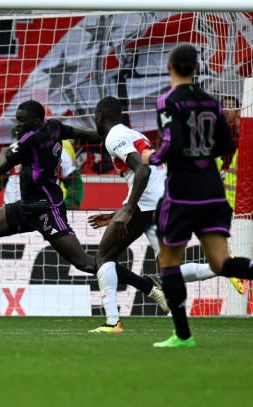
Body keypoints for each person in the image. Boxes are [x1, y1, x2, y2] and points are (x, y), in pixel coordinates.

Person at [0, 100, 167, 314]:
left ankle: (148, 287)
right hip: (27, 207)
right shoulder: (55, 127)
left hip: (48, 209)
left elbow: (3, 166)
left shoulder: (27, 140)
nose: (18, 125)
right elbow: (87, 135)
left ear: (37, 120)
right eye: (17, 120)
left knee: (85, 263)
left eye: (22, 121)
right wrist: (107, 139)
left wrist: (5, 159)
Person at [86, 96, 242, 334]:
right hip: (163, 200)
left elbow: (142, 170)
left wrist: (129, 209)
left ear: (99, 117)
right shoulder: (134, 134)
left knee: (104, 256)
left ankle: (113, 322)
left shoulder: (114, 138)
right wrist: (120, 211)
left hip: (148, 203)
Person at [143, 43, 253, 347]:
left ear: (170, 67)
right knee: (222, 263)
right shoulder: (212, 102)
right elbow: (226, 144)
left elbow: (172, 143)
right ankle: (182, 335)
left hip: (182, 193)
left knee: (168, 261)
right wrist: (203, 154)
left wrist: (151, 157)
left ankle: (182, 335)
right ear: (196, 68)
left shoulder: (168, 100)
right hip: (212, 191)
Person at [0, 125, 83, 209]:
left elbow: (74, 181)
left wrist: (71, 203)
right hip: (10, 211)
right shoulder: (13, 150)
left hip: (44, 212)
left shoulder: (59, 152)